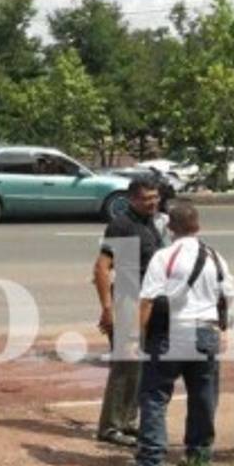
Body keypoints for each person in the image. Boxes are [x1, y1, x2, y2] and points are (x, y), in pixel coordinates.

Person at [134, 200, 234, 466]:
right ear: (198, 226)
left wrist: (138, 337)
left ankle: (150, 462)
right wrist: (222, 329)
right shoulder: (215, 257)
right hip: (205, 332)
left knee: (154, 396)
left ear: (170, 227)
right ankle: (198, 457)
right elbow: (227, 296)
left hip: (170, 333)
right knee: (203, 396)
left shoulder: (164, 257)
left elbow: (148, 301)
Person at [92, 178, 164, 446]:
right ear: (133, 199)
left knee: (140, 367)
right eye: (147, 198)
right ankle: (110, 427)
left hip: (145, 304)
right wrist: (107, 310)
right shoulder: (122, 225)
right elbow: (101, 268)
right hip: (126, 303)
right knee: (126, 366)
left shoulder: (150, 223)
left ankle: (128, 421)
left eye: (155, 197)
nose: (153, 202)